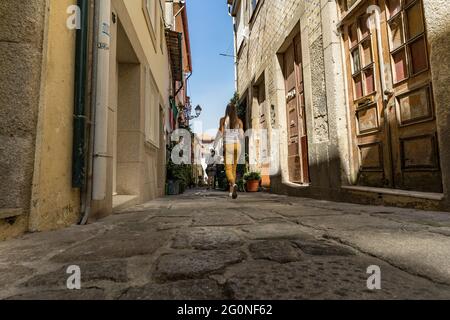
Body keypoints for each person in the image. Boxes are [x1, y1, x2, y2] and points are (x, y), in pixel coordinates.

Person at [214, 103, 244, 199]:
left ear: (226, 110)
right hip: (237, 146)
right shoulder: (239, 121)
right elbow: (242, 136)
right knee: (233, 169)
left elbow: (220, 134)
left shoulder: (223, 120)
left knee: (228, 169)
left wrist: (214, 145)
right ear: (235, 111)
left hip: (228, 145)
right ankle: (231, 192)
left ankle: (234, 185)